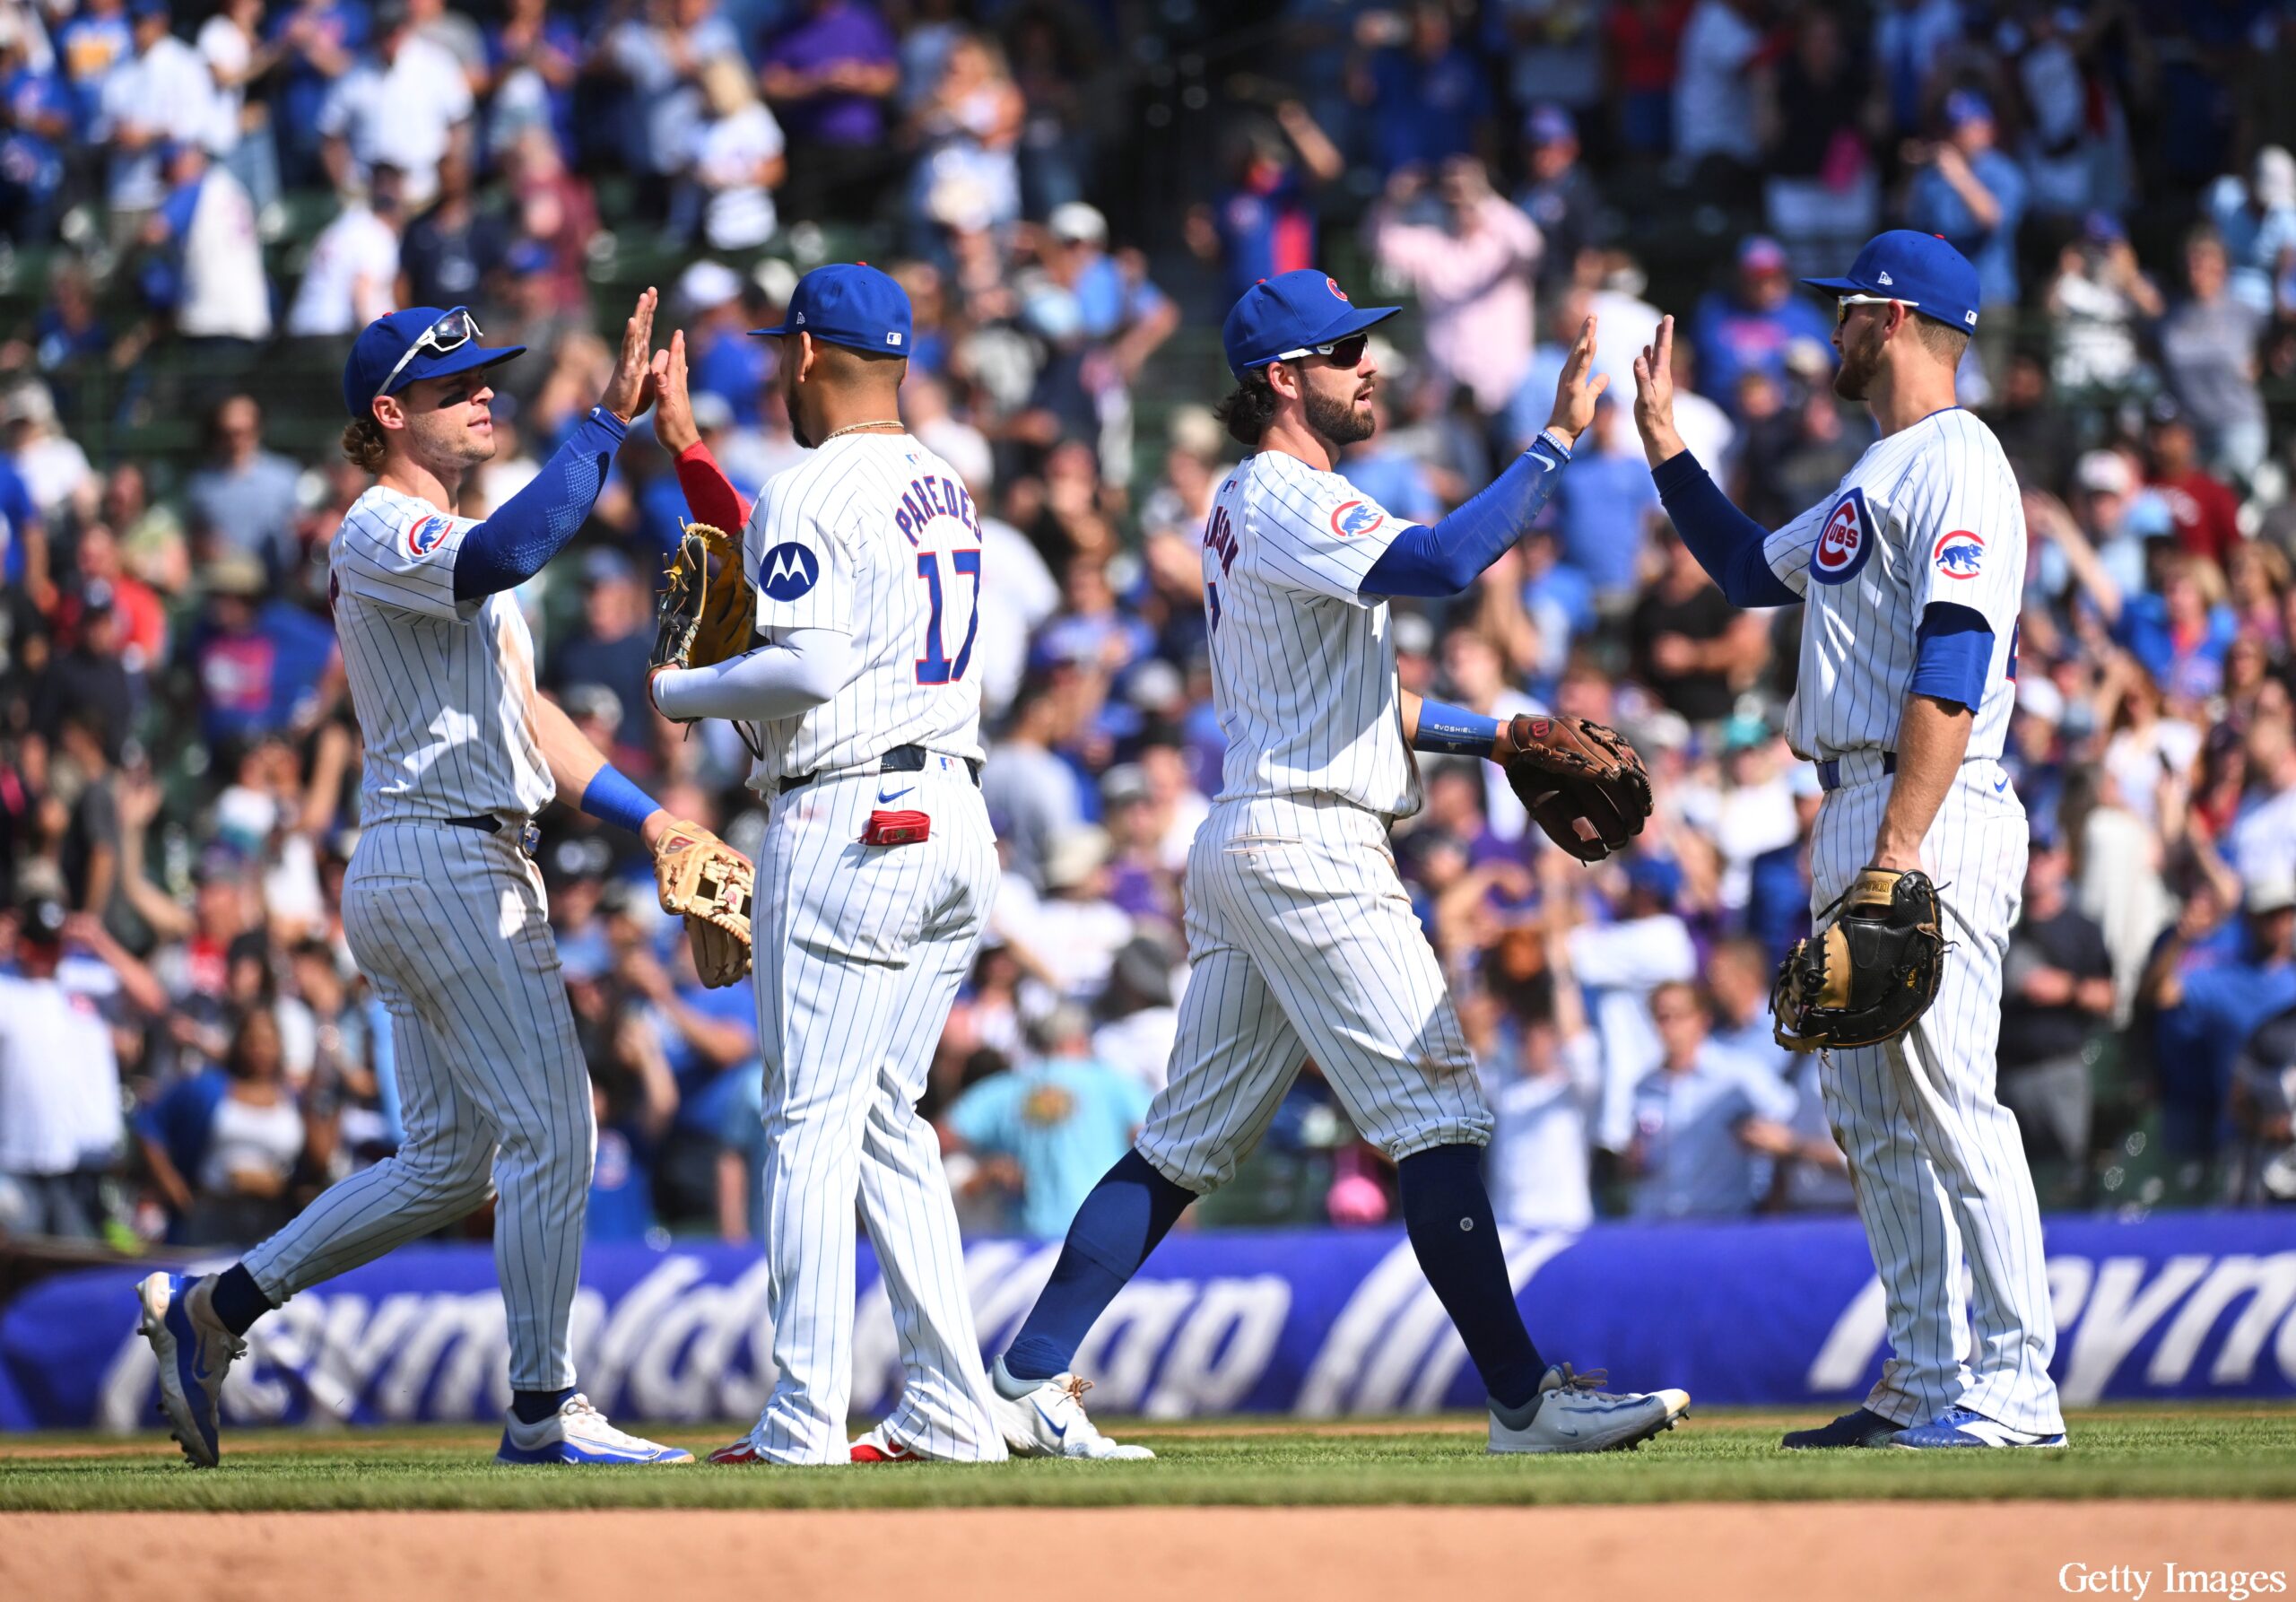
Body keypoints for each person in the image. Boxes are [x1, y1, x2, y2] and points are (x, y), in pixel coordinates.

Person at [978, 268, 1691, 1460]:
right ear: (1280, 378)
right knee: (1439, 1114)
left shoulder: (1257, 502)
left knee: (1182, 1143)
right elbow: (1446, 562)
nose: (1371, 365)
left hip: (1259, 827)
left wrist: (1494, 734)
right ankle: (1525, 1402)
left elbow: (1359, 699)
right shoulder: (1282, 492)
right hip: (1310, 843)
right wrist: (1557, 440)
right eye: (1345, 349)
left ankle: (1027, 1373)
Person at [135, 291, 709, 1469]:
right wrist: (603, 427)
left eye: (488, 378)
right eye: (457, 386)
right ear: (391, 413)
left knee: (450, 1162)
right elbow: (508, 551)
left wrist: (655, 821)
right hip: (445, 855)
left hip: (442, 852)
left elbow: (531, 718)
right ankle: (543, 1406)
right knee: (556, 1128)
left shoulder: (451, 546)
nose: (485, 393)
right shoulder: (378, 526)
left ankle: (217, 1308)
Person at [1630, 230, 2066, 1450]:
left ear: (1896, 316)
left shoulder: (1961, 458)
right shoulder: (1875, 470)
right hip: (1853, 802)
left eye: (1848, 307)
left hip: (1931, 807)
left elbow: (1954, 662)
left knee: (1950, 1097)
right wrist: (1664, 443)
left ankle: (2017, 1386)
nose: (1831, 327)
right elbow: (1741, 569)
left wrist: (1899, 847)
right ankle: (1925, 1377)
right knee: (1870, 1115)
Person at [647, 264, 1009, 1468]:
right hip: (953, 817)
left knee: (805, 1121)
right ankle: (952, 1406)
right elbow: (792, 561)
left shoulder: (810, 484)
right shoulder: (944, 482)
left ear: (805, 354)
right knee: (888, 1119)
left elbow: (803, 665)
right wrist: (690, 452)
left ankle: (803, 1415)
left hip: (853, 817)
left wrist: (679, 691)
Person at [943, 1003, 1152, 1240]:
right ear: (1080, 1039)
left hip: (1030, 1236)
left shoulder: (1007, 1087)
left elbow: (944, 1134)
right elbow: (1150, 1141)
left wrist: (988, 1163)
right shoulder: (1115, 1082)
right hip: (1102, 1230)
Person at [1624, 980, 1799, 1219]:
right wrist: (1632, 1161)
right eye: (1662, 1017)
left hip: (1721, 1220)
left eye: (1679, 1016)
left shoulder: (1739, 1073)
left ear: (1702, 1019)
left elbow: (1789, 1119)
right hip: (1658, 1221)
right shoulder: (1645, 1086)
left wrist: (1759, 1137)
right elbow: (1637, 1159)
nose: (1670, 1027)